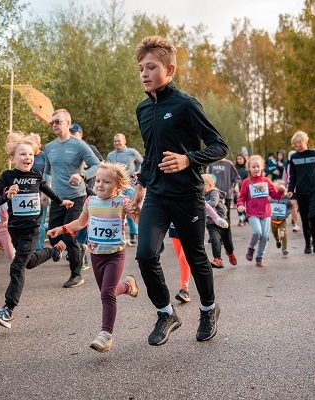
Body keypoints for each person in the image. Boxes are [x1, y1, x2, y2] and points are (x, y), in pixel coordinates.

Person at [130, 35, 228, 346]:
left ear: (170, 68)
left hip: (187, 193)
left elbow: (220, 146)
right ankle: (165, 313)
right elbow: (150, 153)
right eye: (141, 68)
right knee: (146, 255)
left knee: (197, 256)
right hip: (157, 194)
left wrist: (189, 159)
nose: (144, 73)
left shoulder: (186, 105)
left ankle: (209, 309)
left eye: (151, 67)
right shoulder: (142, 110)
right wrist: (141, 187)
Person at [47, 162, 140, 352]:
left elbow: (139, 220)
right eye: (97, 180)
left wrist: (137, 210)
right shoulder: (90, 202)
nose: (100, 185)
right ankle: (129, 286)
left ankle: (105, 335)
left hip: (115, 255)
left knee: (106, 293)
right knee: (109, 292)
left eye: (106, 182)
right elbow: (81, 223)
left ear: (118, 186)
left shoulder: (122, 202)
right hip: (96, 255)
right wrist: (62, 229)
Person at [0, 133, 73, 328]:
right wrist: (7, 195)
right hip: (15, 229)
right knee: (30, 262)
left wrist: (60, 201)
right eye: (23, 154)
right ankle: (56, 249)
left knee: (17, 266)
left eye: (31, 155)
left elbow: (46, 189)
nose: (28, 158)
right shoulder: (7, 176)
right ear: (12, 158)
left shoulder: (36, 175)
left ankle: (8, 309)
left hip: (32, 228)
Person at [43, 109, 100, 288]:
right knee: (52, 235)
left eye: (58, 122)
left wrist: (82, 175)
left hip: (77, 197)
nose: (55, 125)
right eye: (53, 122)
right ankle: (73, 248)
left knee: (68, 235)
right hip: (58, 199)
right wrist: (46, 191)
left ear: (68, 123)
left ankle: (76, 275)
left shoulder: (79, 145)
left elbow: (98, 165)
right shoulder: (49, 147)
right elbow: (47, 171)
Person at [170, 201, 229, 304]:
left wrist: (216, 218)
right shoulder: (165, 190)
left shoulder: (188, 186)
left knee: (183, 259)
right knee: (184, 262)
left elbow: (202, 202)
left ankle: (185, 290)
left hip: (190, 231)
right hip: (174, 231)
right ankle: (197, 284)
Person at [236, 155, 286, 267]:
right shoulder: (246, 182)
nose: (256, 169)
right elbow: (241, 198)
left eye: (258, 166)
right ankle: (250, 248)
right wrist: (240, 205)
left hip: (266, 213)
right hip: (252, 212)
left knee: (265, 236)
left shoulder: (267, 181)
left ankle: (259, 257)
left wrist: (281, 191)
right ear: (249, 168)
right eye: (253, 167)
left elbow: (275, 195)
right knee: (257, 232)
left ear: (262, 167)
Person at [287, 131, 315, 254]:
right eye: (295, 145)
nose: (297, 147)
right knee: (305, 218)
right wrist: (290, 189)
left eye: (299, 143)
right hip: (301, 191)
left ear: (305, 141)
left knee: (313, 215)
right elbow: (293, 175)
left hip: (314, 189)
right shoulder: (294, 157)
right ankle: (307, 242)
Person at [70, 123, 104, 270]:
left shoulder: (89, 148)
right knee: (75, 222)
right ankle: (75, 250)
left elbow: (101, 165)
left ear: (81, 135)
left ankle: (82, 251)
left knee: (84, 222)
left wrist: (85, 171)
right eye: (70, 133)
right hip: (71, 192)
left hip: (88, 189)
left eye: (75, 133)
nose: (72, 135)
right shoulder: (66, 150)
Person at [106, 132, 143, 244]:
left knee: (131, 208)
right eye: (115, 141)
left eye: (119, 141)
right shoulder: (111, 155)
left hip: (130, 186)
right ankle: (115, 235)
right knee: (115, 210)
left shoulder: (132, 152)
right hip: (116, 187)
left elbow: (143, 162)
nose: (117, 143)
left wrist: (138, 172)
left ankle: (133, 234)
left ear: (124, 141)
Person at [202, 174, 237, 268]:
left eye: (202, 185)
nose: (200, 188)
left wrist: (201, 204)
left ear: (210, 185)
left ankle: (230, 253)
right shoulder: (201, 194)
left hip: (222, 220)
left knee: (227, 241)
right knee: (215, 240)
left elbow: (213, 202)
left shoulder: (214, 192)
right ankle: (217, 259)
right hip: (210, 222)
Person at [29, 133, 48, 251]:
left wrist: (45, 193)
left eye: (32, 142)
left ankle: (39, 248)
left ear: (39, 144)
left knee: (40, 221)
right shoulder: (27, 156)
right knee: (30, 221)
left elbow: (48, 176)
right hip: (28, 193)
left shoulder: (44, 157)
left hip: (41, 192)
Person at [205, 158, 238, 223]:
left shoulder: (229, 164)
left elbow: (236, 177)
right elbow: (208, 177)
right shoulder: (212, 164)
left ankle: (227, 231)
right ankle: (215, 231)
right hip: (214, 193)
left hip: (227, 193)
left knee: (225, 213)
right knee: (213, 213)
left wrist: (236, 185)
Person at [270, 180, 293, 257]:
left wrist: (287, 213)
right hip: (273, 220)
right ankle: (277, 240)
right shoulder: (271, 199)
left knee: (283, 233)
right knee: (274, 232)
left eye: (282, 190)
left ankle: (284, 248)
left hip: (282, 220)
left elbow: (291, 207)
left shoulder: (286, 200)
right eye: (278, 189)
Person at [283, 150, 301, 232]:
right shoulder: (287, 167)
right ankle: (296, 224)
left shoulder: (301, 166)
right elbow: (285, 180)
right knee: (293, 205)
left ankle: (303, 222)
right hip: (292, 189)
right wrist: (284, 189)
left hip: (302, 188)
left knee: (301, 207)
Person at [234, 153, 249, 226]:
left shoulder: (247, 168)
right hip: (237, 189)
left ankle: (246, 218)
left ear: (244, 159)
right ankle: (241, 219)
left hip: (246, 188)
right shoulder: (235, 169)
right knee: (239, 204)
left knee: (246, 204)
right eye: (238, 159)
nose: (239, 160)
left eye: (240, 159)